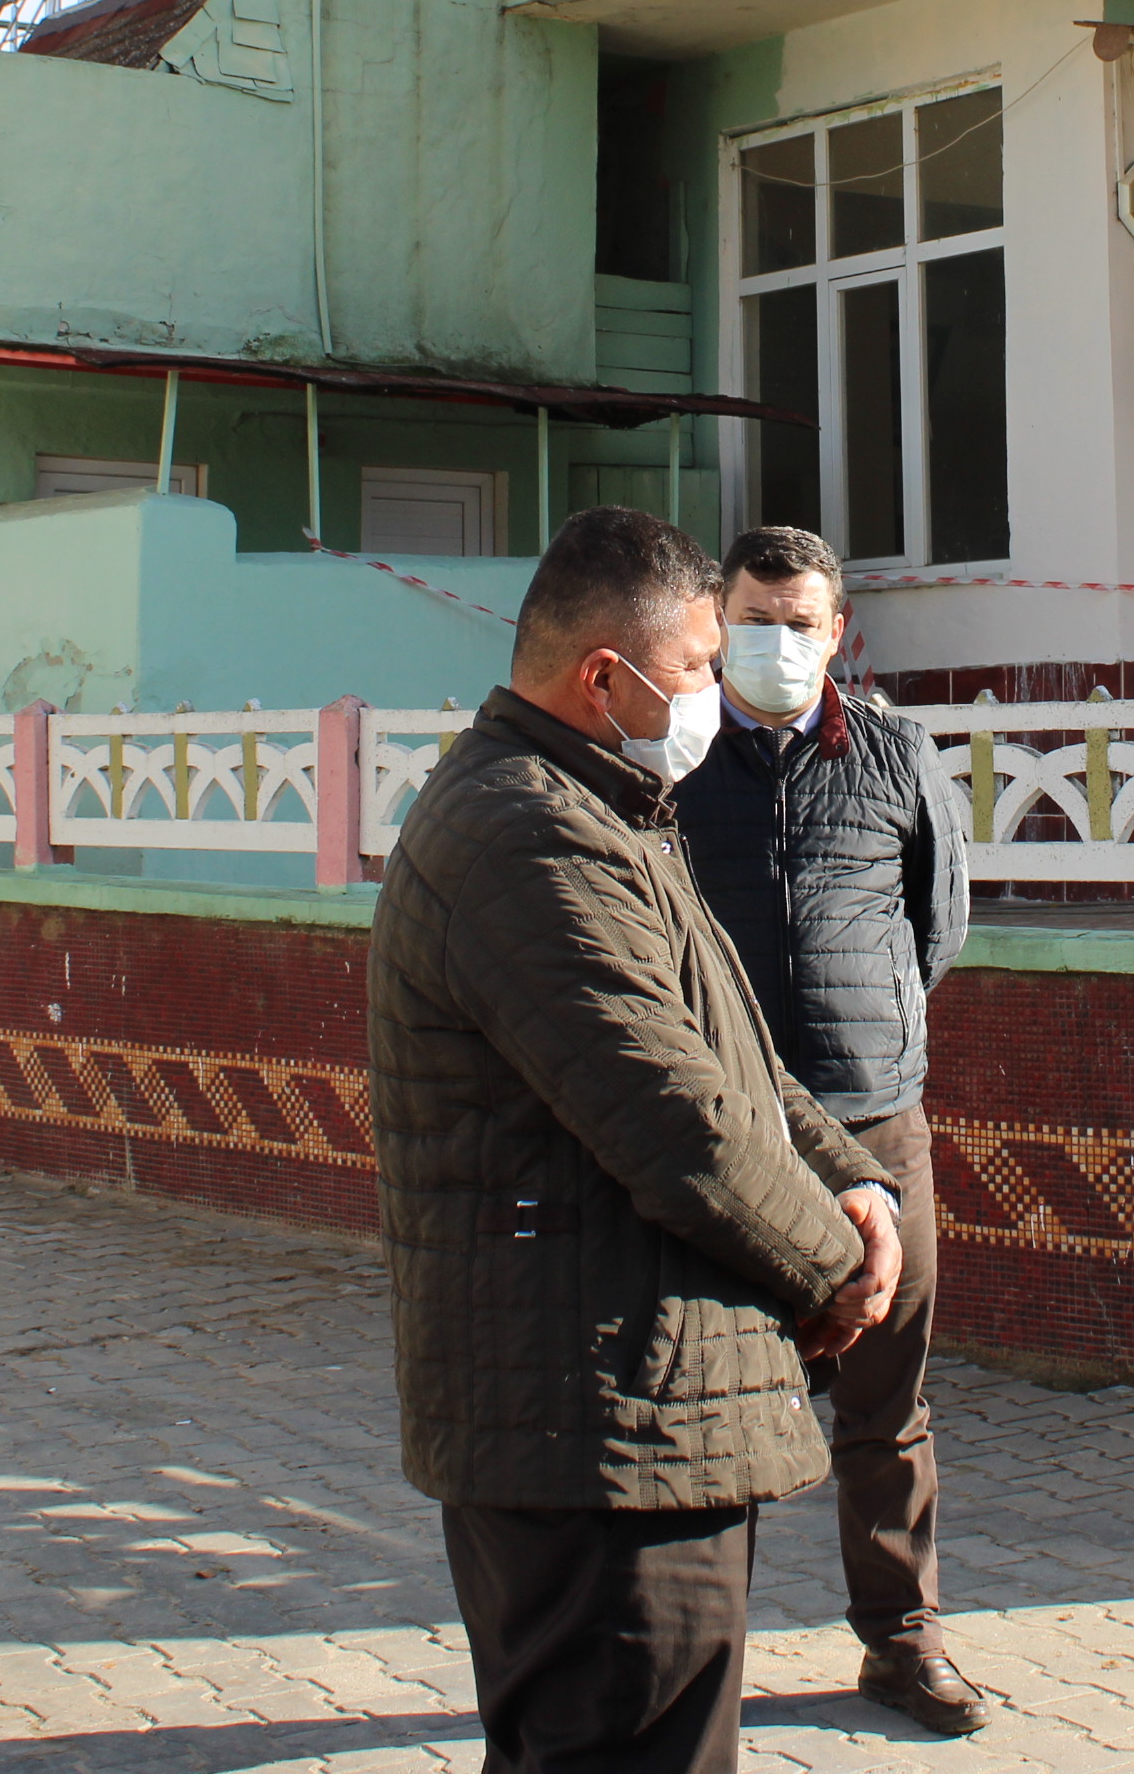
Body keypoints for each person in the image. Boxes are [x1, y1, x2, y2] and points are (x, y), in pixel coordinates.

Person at [370, 506, 906, 1774]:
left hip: (633, 1403)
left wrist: (854, 1180)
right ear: (601, 679)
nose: (717, 693)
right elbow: (676, 1118)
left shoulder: (612, 805)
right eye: (695, 669)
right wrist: (829, 1268)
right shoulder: (524, 831)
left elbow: (746, 1060)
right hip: (593, 1423)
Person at [667, 524, 988, 1737]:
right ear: (717, 619)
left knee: (886, 1405)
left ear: (838, 631)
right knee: (709, 1404)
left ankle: (903, 1642)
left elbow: (935, 927)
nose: (780, 643)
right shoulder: (677, 756)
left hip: (877, 1121)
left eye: (802, 623)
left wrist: (876, 1038)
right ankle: (699, 1666)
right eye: (756, 620)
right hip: (726, 1135)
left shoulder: (900, 755)